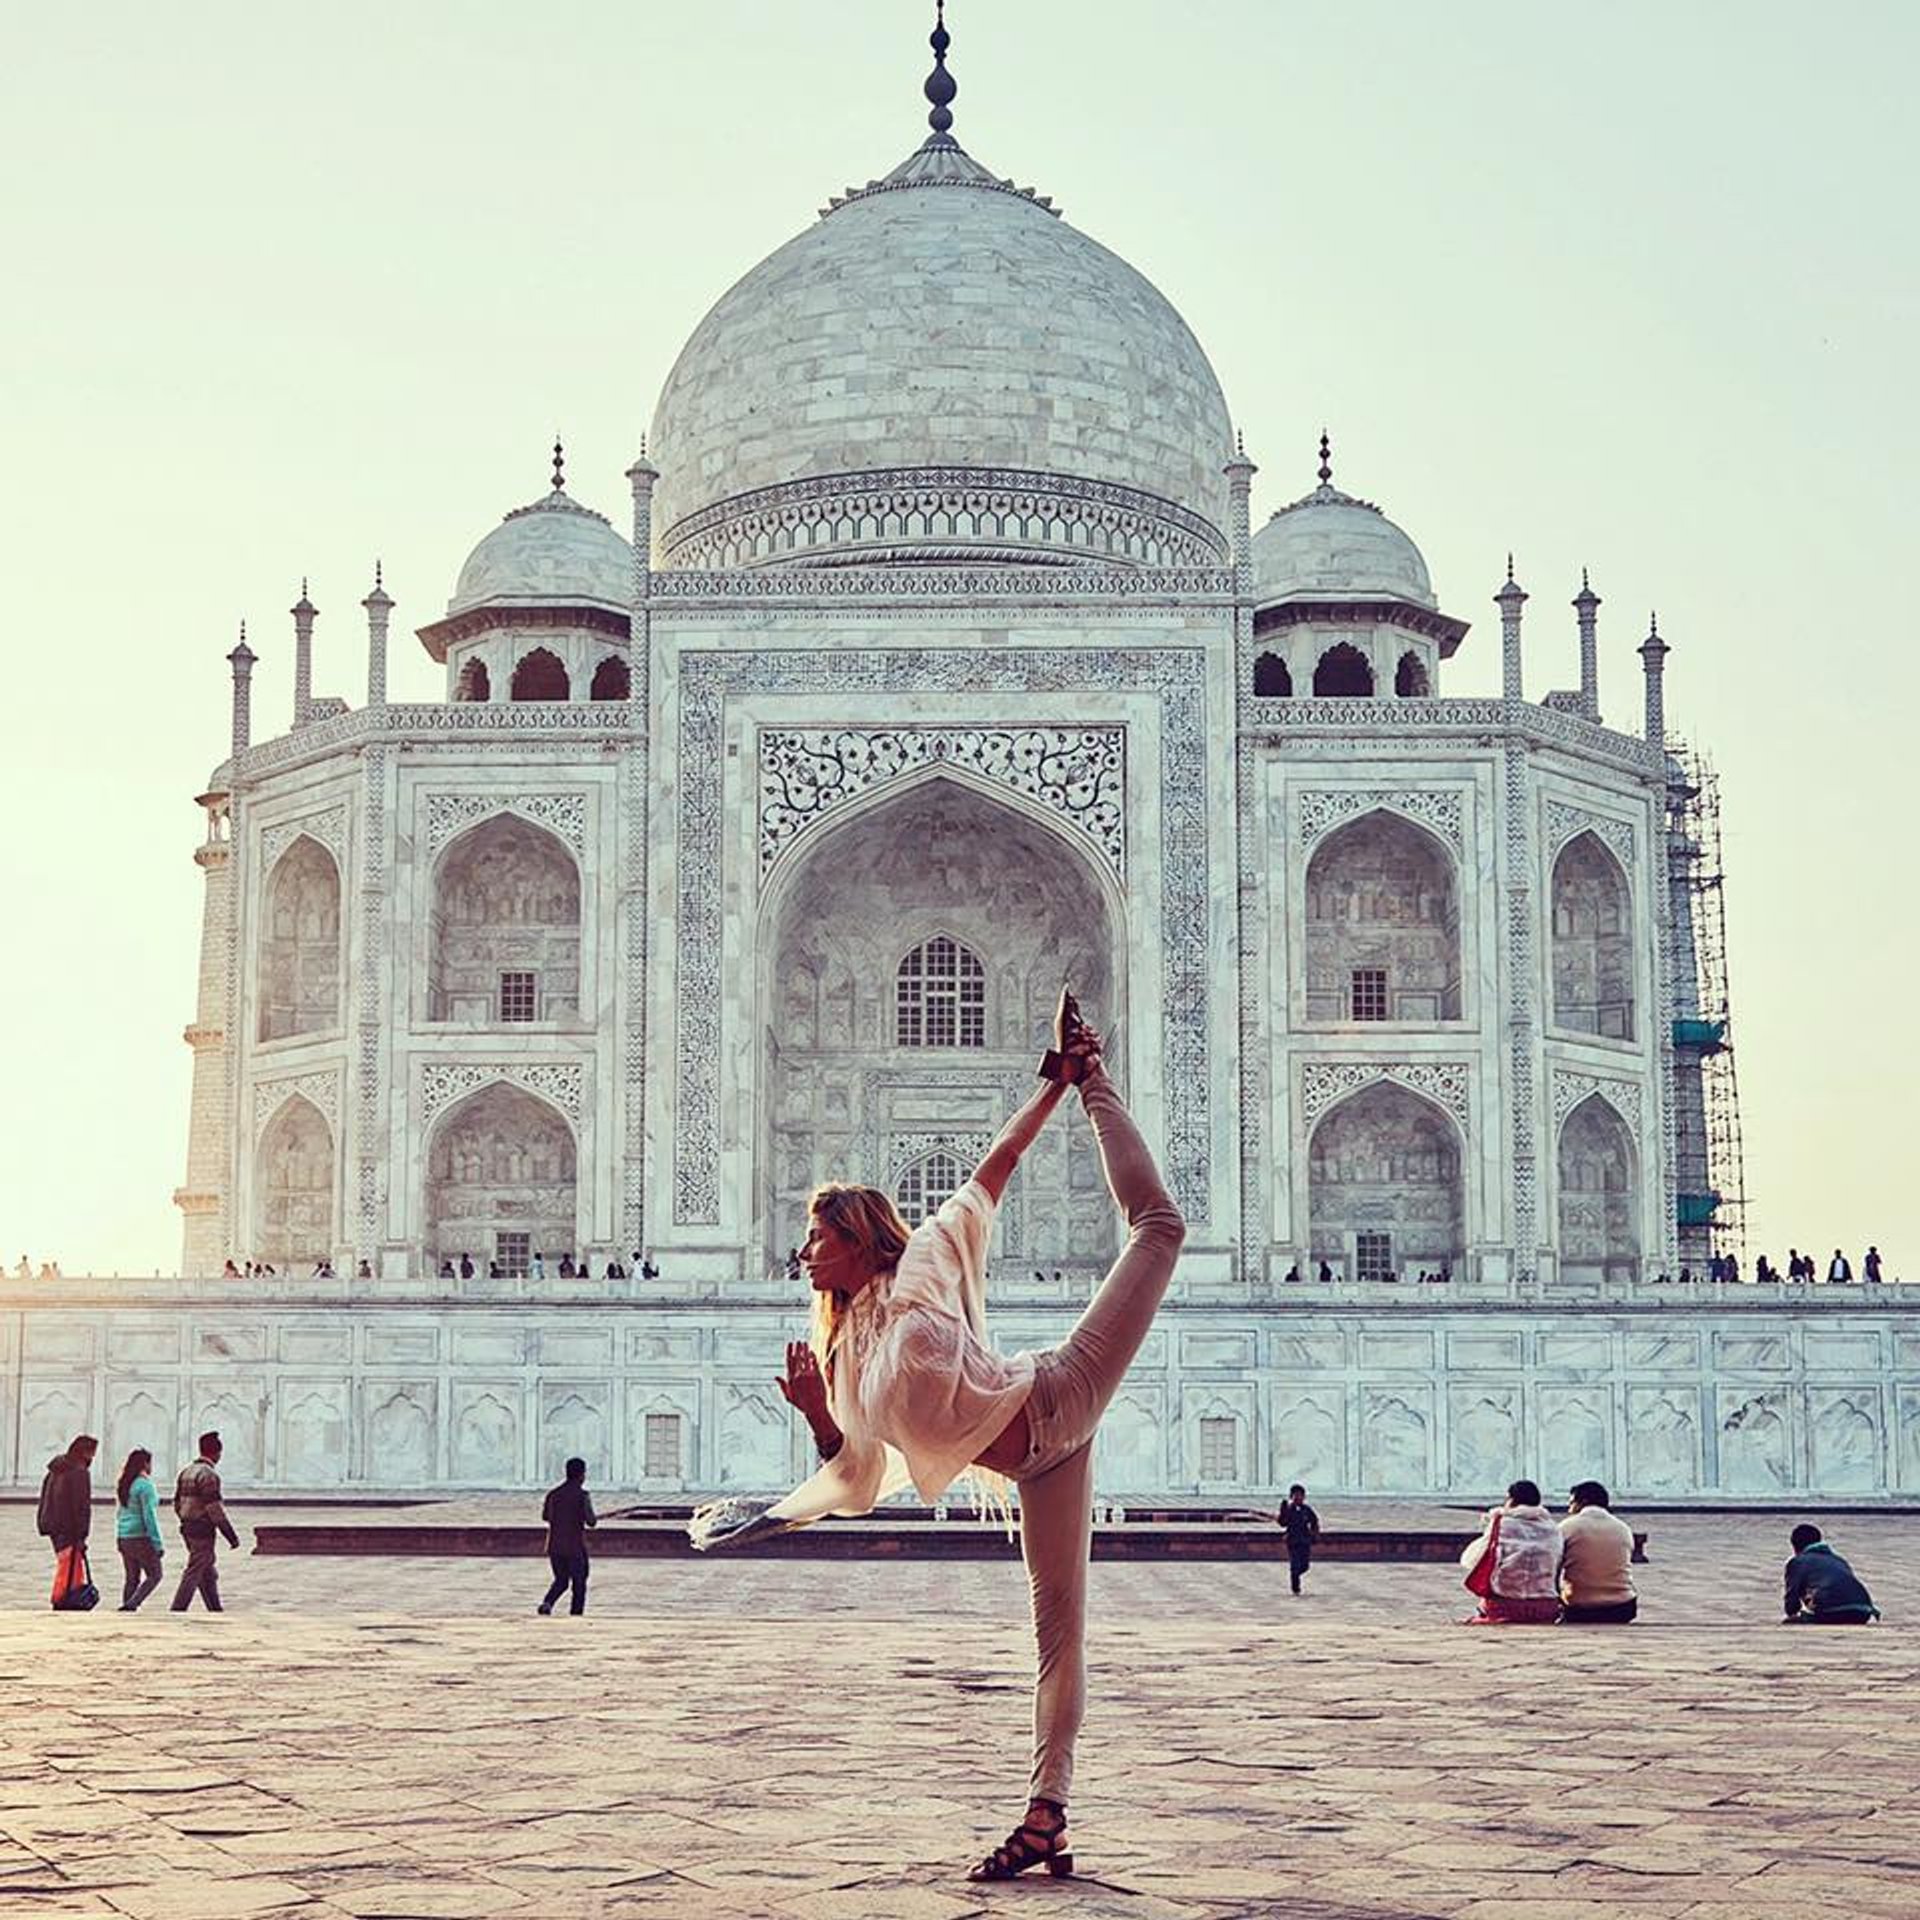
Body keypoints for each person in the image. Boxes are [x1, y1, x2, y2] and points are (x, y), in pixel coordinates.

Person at [693, 1005, 1182, 1883]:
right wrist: (808, 1423)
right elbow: (857, 1465)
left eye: (816, 1236)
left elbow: (993, 1169)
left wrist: (1060, 1084)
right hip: (1043, 1458)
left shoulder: (919, 1268)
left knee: (1160, 1227)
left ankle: (1099, 1072)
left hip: (1060, 1390)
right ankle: (1049, 1818)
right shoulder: (843, 1355)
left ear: (855, 1240)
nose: (802, 1251)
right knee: (1057, 1635)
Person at [1460, 1479, 1562, 1624]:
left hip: (1505, 1606)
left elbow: (1472, 1559)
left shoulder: (1502, 1523)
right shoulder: (1553, 1528)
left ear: (1511, 1499)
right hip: (1545, 1607)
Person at [171, 1432, 241, 1612]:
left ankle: (215, 1609)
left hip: (188, 1527)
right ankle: (177, 1609)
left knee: (207, 1571)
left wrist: (185, 1518)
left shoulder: (186, 1472)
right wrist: (230, 1536)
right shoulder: (209, 1475)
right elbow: (214, 1509)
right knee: (195, 1571)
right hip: (202, 1529)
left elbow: (177, 1503)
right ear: (217, 1453)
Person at [1557, 1481, 1637, 1623]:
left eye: (1571, 1504)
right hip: (1623, 1607)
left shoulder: (1567, 1527)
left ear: (1582, 1502)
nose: (1569, 1510)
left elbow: (1553, 1569)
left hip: (1581, 1609)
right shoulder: (1623, 1528)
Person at [38, 1434, 97, 1606]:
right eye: (91, 1453)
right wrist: (82, 1534)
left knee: (69, 1563)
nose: (92, 1457)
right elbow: (81, 1506)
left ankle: (68, 1597)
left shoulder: (56, 1470)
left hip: (54, 1526)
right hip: (70, 1528)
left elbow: (45, 1500)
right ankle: (61, 1599)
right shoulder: (79, 1472)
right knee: (68, 1565)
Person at [1782, 1524, 1879, 1624]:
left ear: (1795, 1546)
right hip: (1863, 1612)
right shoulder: (1839, 1560)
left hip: (1834, 1612)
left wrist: (1792, 1614)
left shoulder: (1798, 1562)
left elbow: (1792, 1597)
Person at [538, 1457, 598, 1615]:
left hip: (555, 1546)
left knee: (561, 1580)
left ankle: (547, 1603)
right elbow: (591, 1521)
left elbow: (545, 1516)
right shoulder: (582, 1495)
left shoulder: (553, 1495)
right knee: (579, 1584)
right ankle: (576, 1614)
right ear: (582, 1475)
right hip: (575, 1547)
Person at [114, 1448, 165, 1610]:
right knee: (155, 1574)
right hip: (140, 1537)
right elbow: (149, 1516)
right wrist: (157, 1543)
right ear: (145, 1464)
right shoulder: (145, 1486)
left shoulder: (124, 1484)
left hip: (123, 1536)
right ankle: (131, 1605)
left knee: (132, 1578)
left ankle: (127, 1607)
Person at [1279, 1484, 1320, 1595]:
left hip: (1304, 1540)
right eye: (1295, 1495)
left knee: (1305, 1566)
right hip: (1292, 1541)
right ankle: (1295, 1587)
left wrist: (1315, 1534)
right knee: (1294, 1565)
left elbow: (1314, 1521)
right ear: (1291, 1496)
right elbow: (1283, 1523)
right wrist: (1282, 1510)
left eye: (1300, 1495)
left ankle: (1296, 1574)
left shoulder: (1306, 1509)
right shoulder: (1288, 1509)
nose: (1298, 1498)